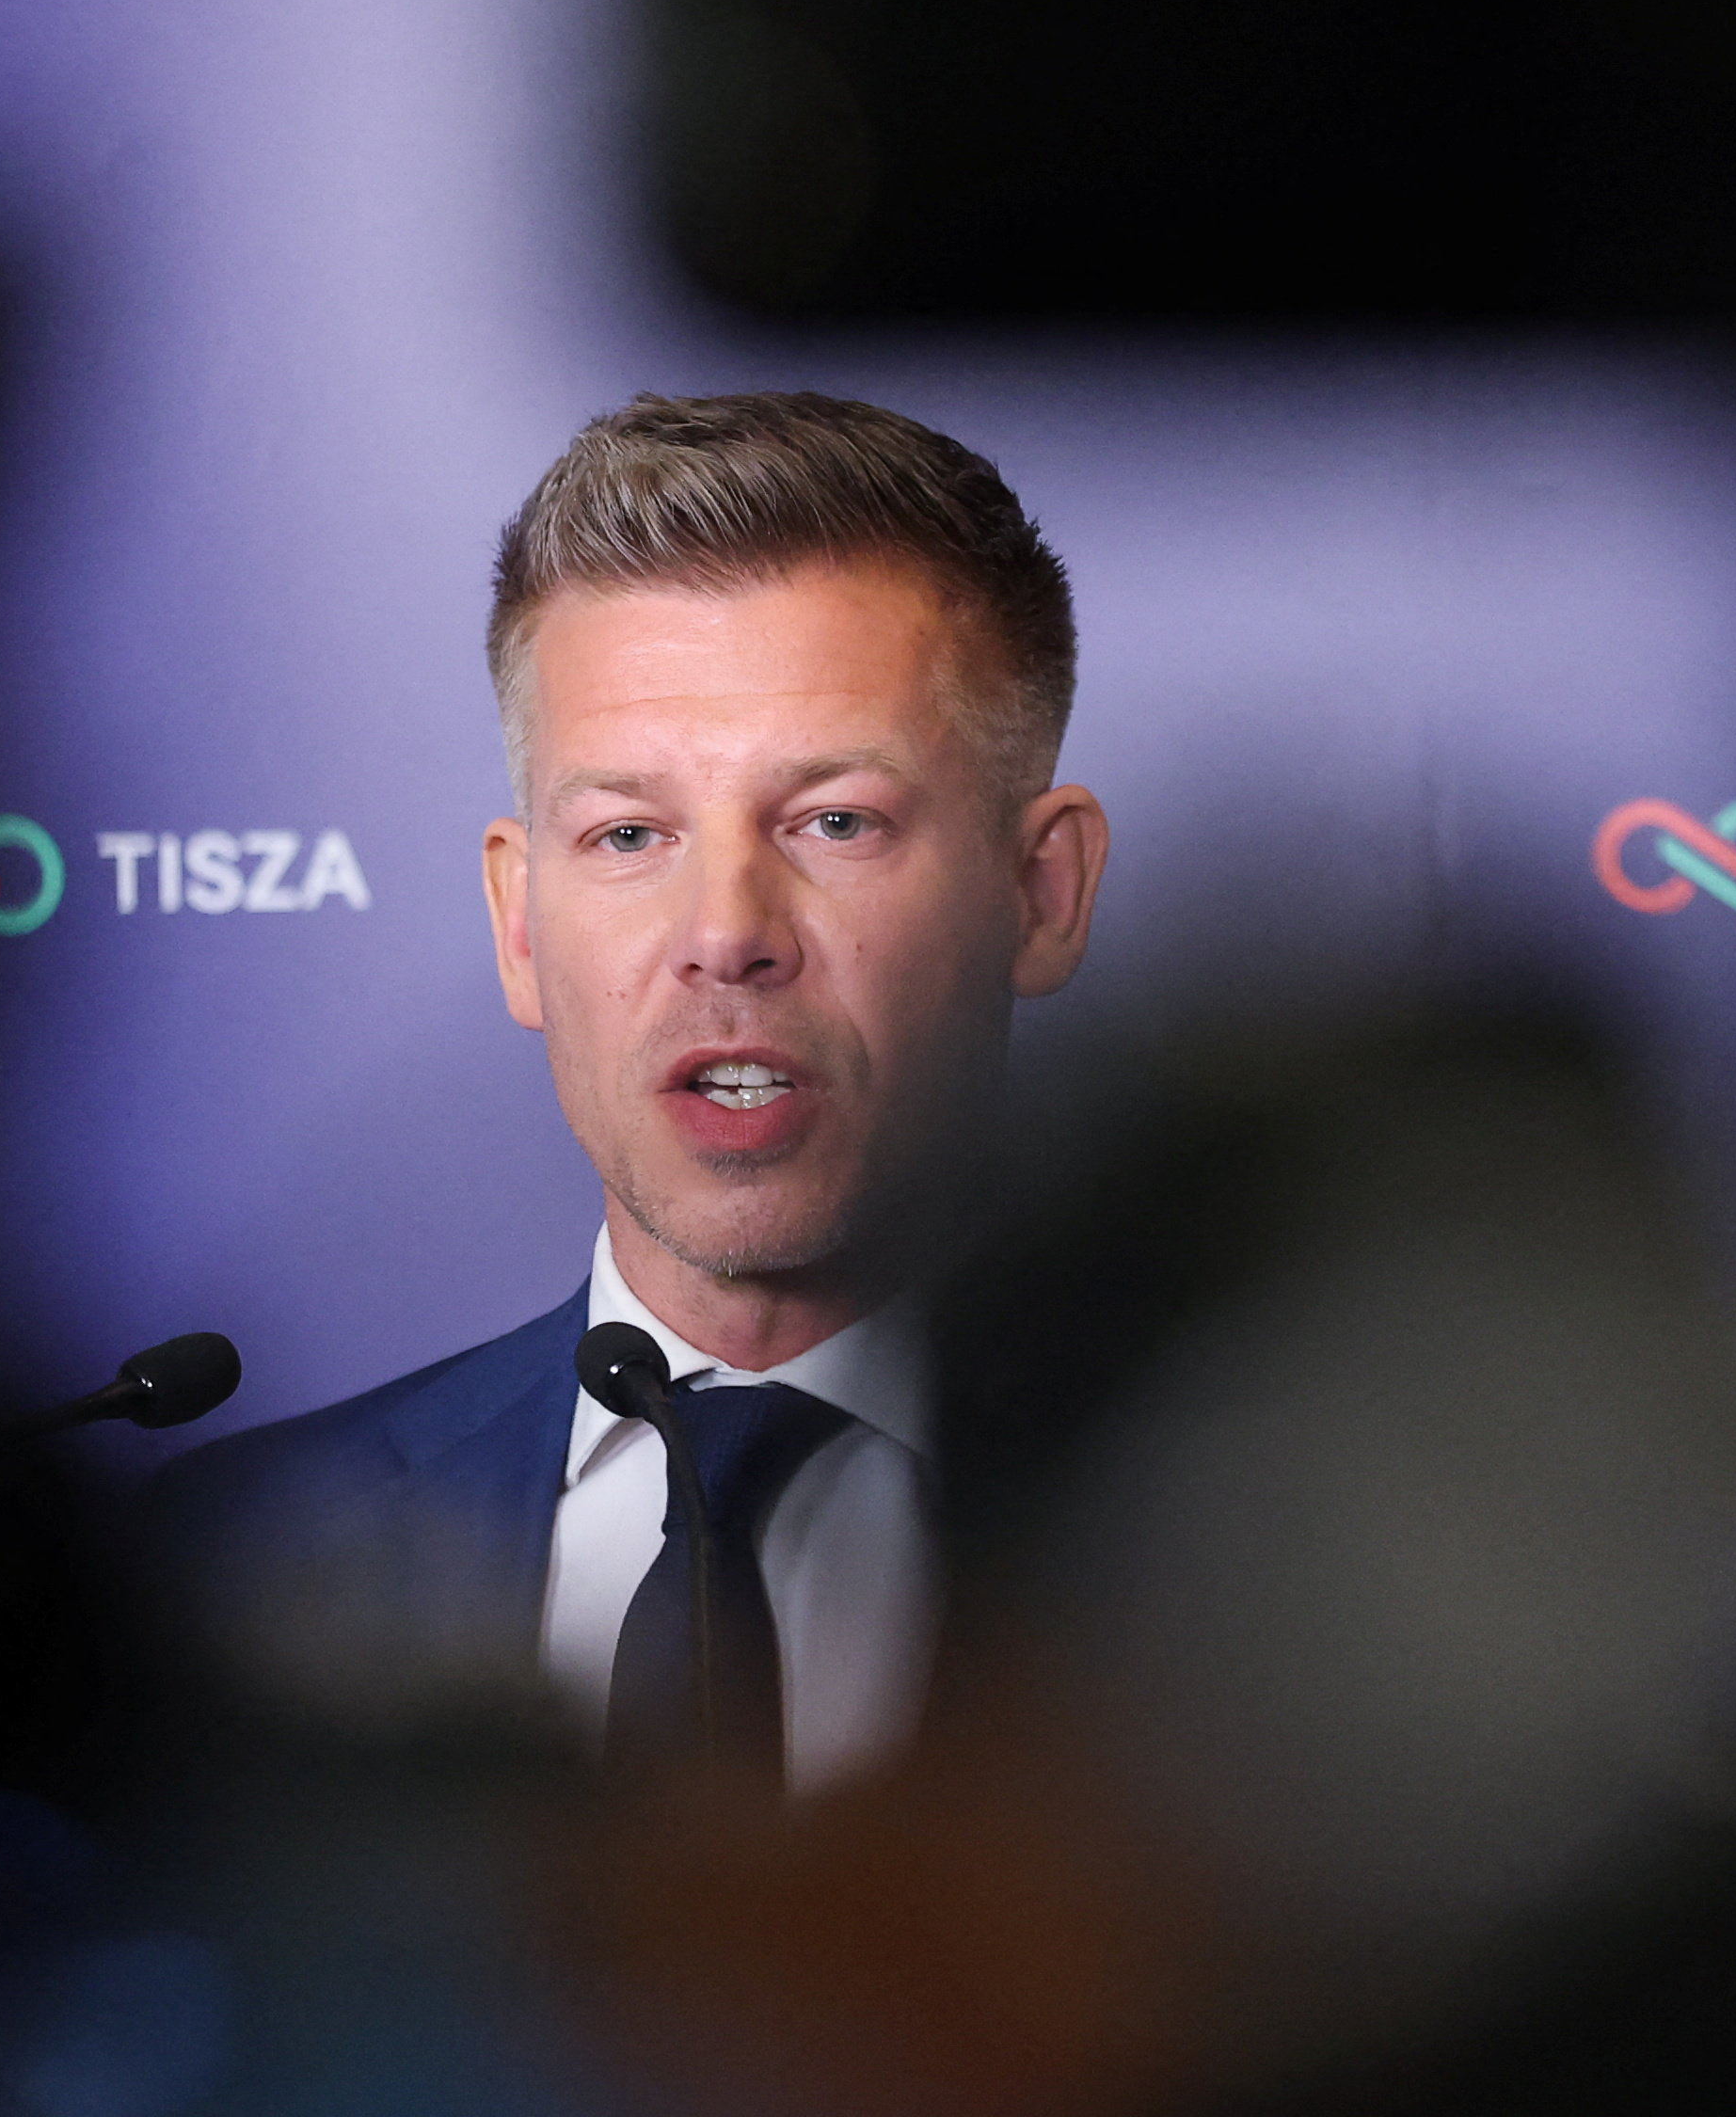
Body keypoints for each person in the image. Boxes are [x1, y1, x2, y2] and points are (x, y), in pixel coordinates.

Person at [162, 390, 1109, 1791]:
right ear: (519, 922)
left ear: (1041, 892)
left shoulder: (1269, 1552)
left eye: (835, 821)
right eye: (627, 835)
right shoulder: (230, 1572)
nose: (726, 932)